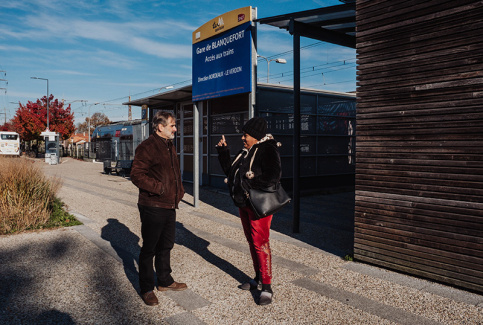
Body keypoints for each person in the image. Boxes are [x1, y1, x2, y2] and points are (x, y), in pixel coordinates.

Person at [216, 117, 282, 306]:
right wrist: (223, 151)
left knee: (261, 243)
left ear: (255, 135)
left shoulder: (268, 149)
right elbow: (231, 172)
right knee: (252, 241)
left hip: (258, 206)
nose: (243, 138)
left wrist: (247, 184)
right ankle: (258, 277)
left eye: (246, 135)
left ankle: (267, 287)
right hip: (244, 204)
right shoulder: (246, 151)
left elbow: (273, 177)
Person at [130, 111, 186, 306]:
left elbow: (173, 172)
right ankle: (146, 288)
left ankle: (165, 280)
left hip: (169, 204)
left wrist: (179, 190)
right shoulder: (146, 147)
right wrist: (160, 189)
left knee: (166, 244)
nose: (175, 129)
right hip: (153, 204)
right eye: (172, 125)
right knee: (149, 248)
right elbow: (136, 175)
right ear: (160, 127)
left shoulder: (169, 145)